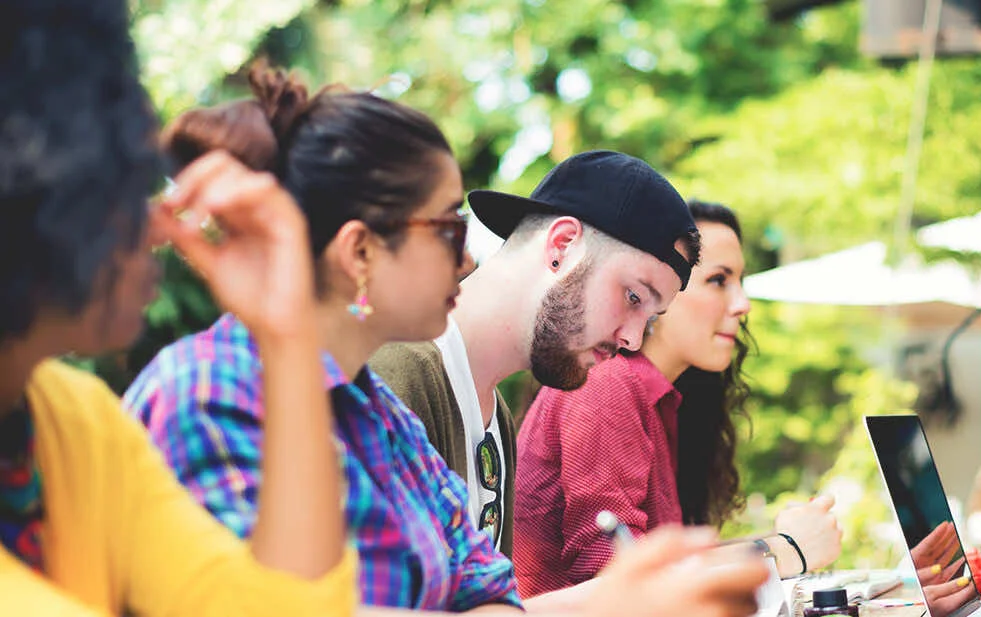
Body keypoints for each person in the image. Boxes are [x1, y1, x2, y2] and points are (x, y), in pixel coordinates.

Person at [126, 69, 766, 616]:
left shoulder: (376, 414)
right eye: (445, 229)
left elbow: (489, 596)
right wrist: (613, 599)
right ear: (360, 249)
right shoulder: (211, 393)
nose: (465, 258)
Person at [0, 2, 356, 614]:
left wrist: (288, 337)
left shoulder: (74, 422)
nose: (161, 227)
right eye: (134, 182)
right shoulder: (190, 391)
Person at [510, 200, 843, 597]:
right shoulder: (606, 382)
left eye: (740, 282)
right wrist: (783, 550)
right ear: (660, 288)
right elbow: (618, 575)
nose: (742, 305)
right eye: (718, 280)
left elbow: (661, 565)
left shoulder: (658, 398)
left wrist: (778, 546)